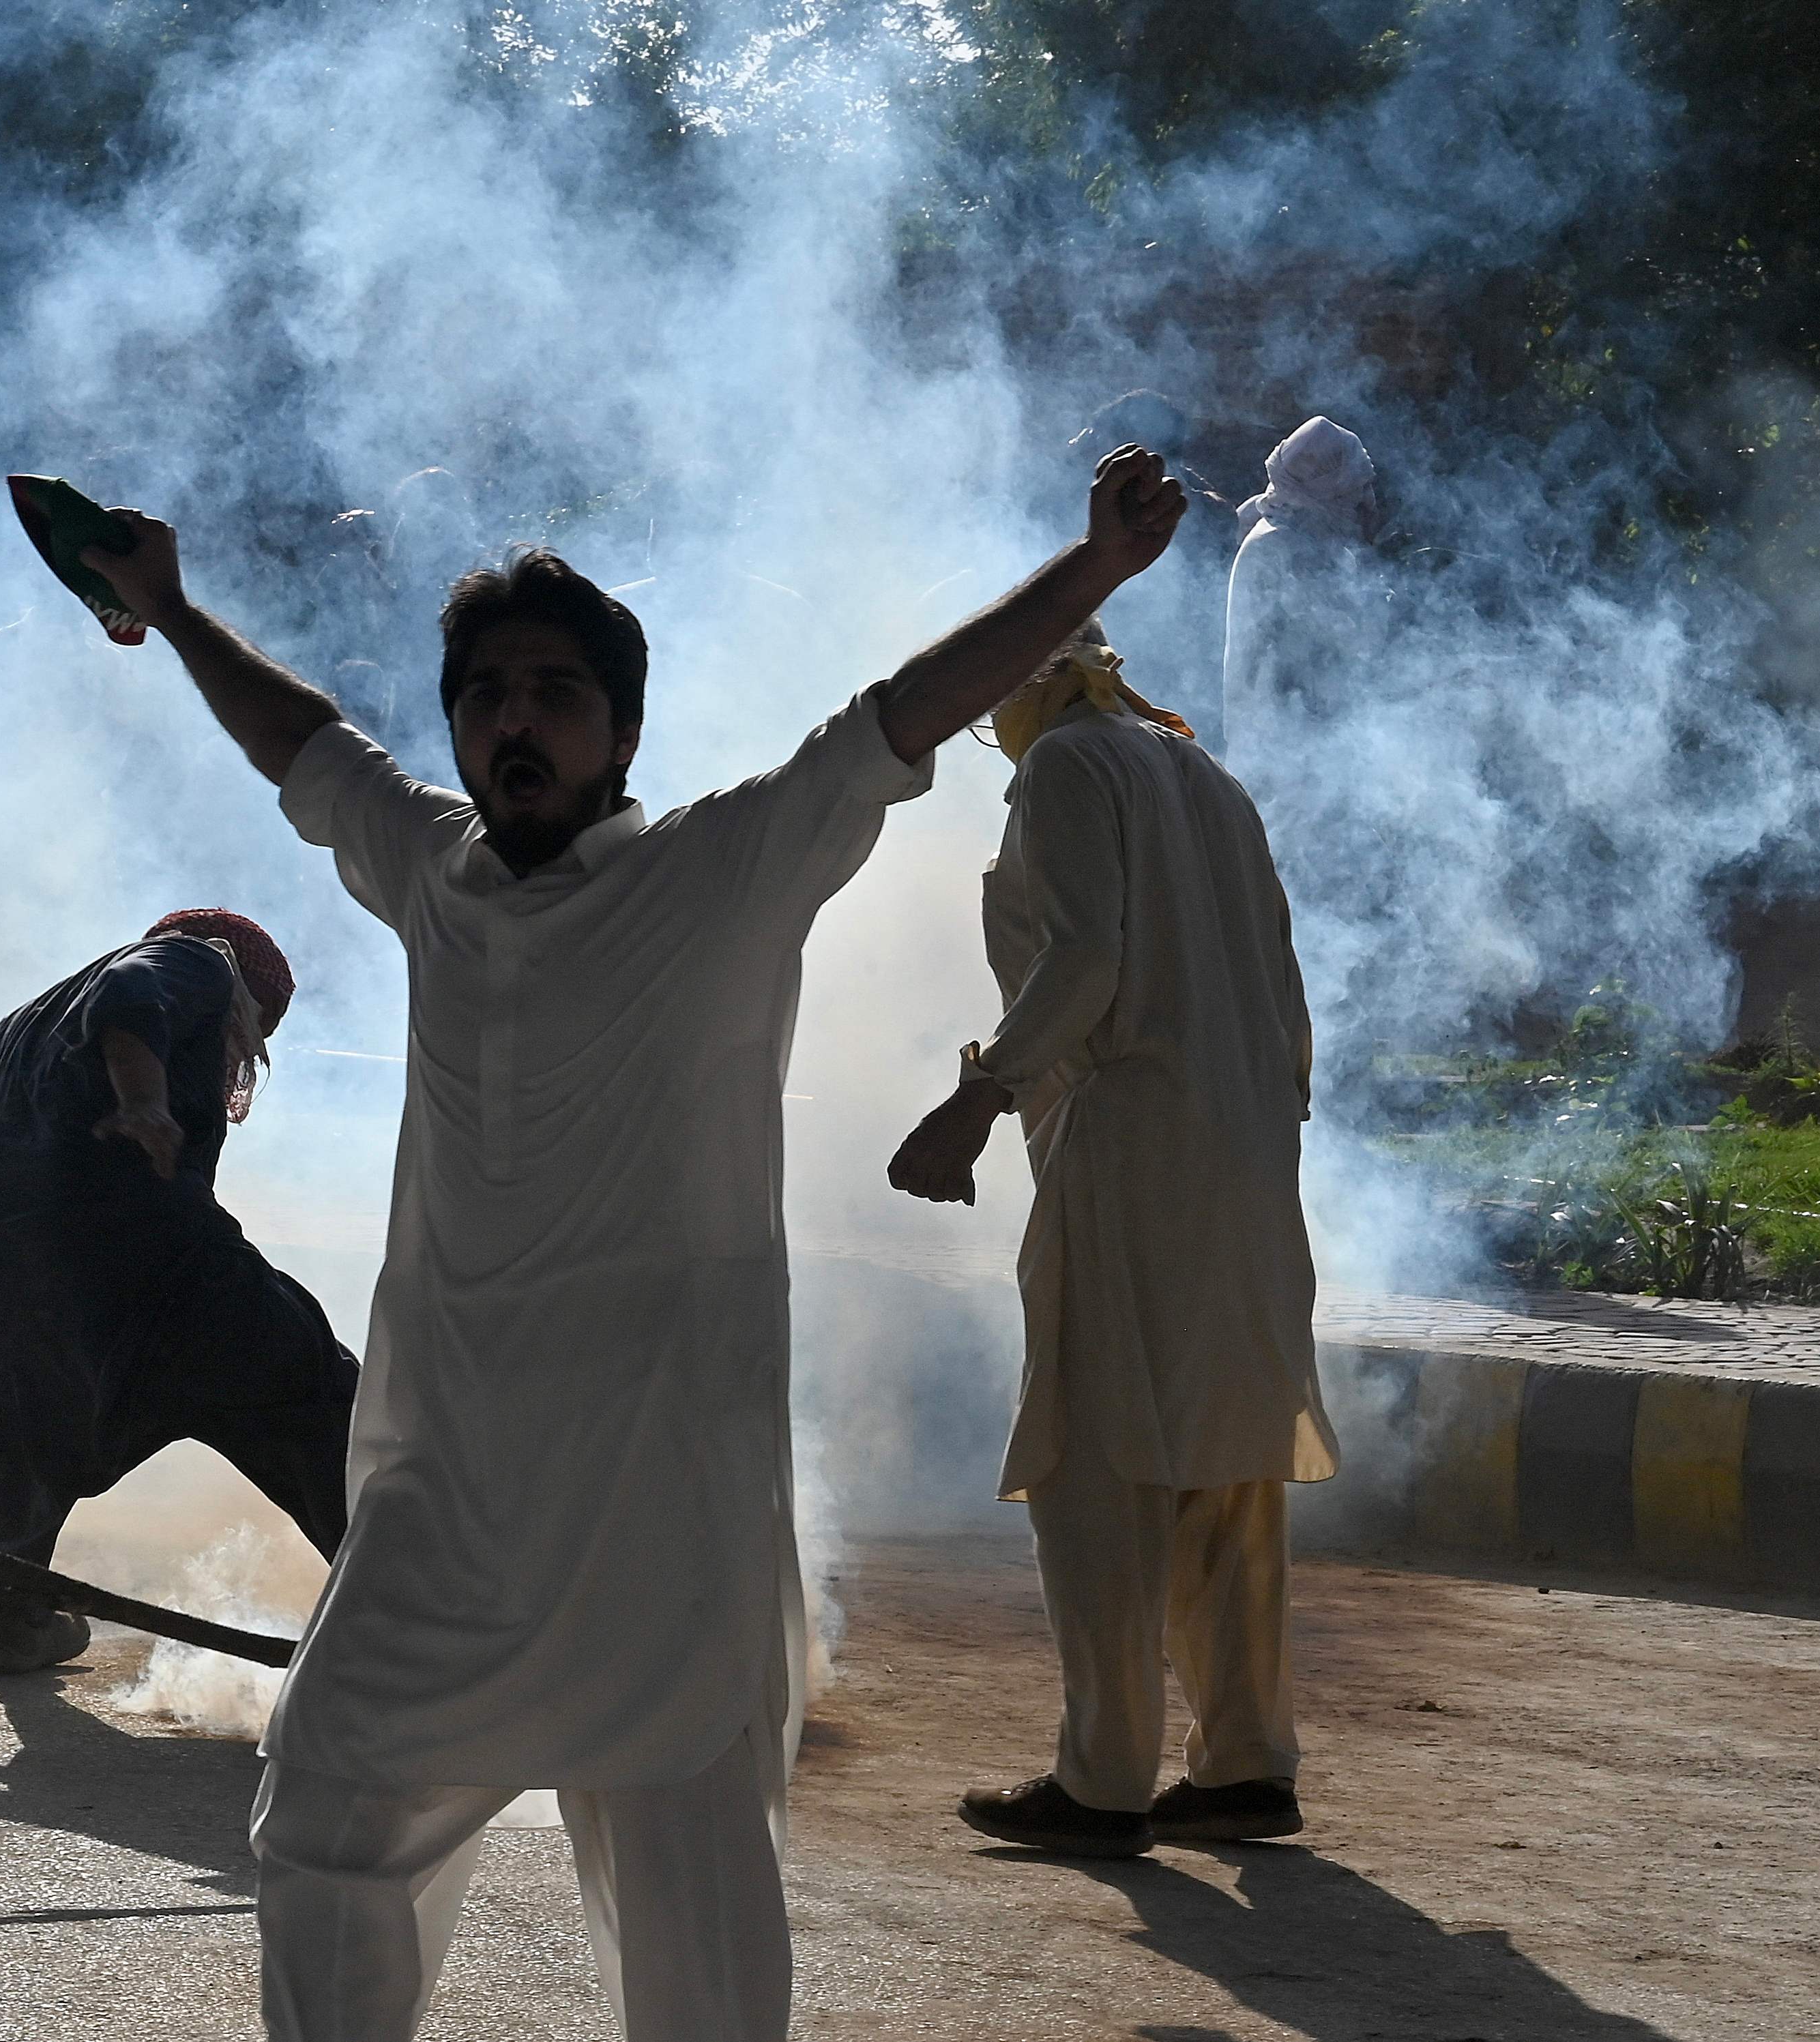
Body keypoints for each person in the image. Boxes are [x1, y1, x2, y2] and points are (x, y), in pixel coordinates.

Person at [72, 447, 1190, 2041]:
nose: (515, 720)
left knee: (695, 1946)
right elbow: (300, 742)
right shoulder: (430, 867)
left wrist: (1087, 576)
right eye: (488, 696)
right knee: (323, 1823)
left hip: (657, 1514)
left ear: (619, 733)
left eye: (554, 692)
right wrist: (174, 613)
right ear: (458, 727)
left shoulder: (716, 871)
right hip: (446, 1504)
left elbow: (895, 714)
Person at [886, 618, 1336, 1859]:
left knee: (1097, 1454)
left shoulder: (1070, 768)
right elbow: (1288, 1002)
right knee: (1226, 1461)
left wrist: (978, 1099)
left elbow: (1085, 954)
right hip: (1245, 1154)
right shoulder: (1206, 774)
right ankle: (1247, 1764)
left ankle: (1102, 1777)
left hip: (1133, 1143)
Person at [0, 911, 360, 1677]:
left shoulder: (14, 1035)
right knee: (324, 1404)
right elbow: (130, 990)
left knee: (28, 1438)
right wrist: (146, 1097)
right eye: (254, 1028)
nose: (242, 1055)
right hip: (161, 1274)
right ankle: (410, 1616)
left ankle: (14, 1611)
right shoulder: (201, 962)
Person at [1220, 414, 1381, 778]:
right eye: (1355, 489)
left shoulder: (1305, 535)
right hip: (1279, 748)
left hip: (1301, 741)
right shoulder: (1280, 547)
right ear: (1324, 489)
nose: (1367, 500)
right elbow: (1345, 639)